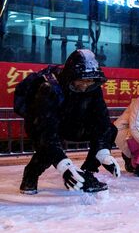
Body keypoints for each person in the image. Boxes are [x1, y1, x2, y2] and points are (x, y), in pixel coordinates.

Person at [19, 49, 121, 195]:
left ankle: (86, 173)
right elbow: (47, 133)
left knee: (110, 130)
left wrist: (103, 153)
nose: (86, 85)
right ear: (71, 77)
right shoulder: (49, 88)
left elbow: (102, 121)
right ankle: (30, 175)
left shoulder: (93, 89)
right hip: (43, 125)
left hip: (73, 123)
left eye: (90, 81)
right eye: (82, 81)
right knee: (47, 147)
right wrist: (64, 166)